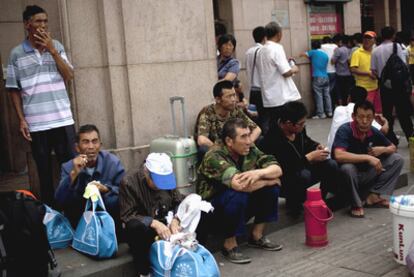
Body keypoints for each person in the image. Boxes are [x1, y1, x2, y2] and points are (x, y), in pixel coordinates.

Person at [6, 5, 76, 206]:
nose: (43, 25)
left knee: (71, 169)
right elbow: (13, 89)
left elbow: (69, 75)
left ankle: (72, 211)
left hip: (62, 119)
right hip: (37, 124)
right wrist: (21, 120)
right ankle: (50, 217)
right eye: (38, 21)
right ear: (27, 24)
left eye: (45, 21)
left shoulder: (57, 46)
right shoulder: (16, 54)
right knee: (44, 172)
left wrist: (52, 50)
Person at [197, 118, 283, 264]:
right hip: (211, 213)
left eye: (249, 135)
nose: (249, 141)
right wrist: (268, 180)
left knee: (271, 189)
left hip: (235, 206)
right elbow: (240, 185)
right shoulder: (214, 155)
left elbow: (277, 169)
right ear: (229, 141)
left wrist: (259, 174)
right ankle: (229, 245)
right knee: (238, 193)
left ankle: (256, 236)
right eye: (243, 137)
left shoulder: (249, 149)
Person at [261, 101, 339, 217]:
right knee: (303, 175)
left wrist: (315, 146)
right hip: (283, 179)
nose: (303, 126)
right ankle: (294, 205)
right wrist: (310, 157)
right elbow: (285, 167)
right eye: (301, 124)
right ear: (288, 123)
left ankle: (319, 199)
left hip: (301, 166)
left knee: (330, 164)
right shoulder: (272, 139)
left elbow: (306, 141)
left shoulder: (298, 129)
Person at [332, 100, 403, 218]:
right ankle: (355, 204)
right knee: (347, 168)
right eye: (361, 117)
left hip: (367, 173)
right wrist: (368, 158)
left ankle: (373, 197)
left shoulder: (373, 131)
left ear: (373, 118)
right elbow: (338, 155)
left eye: (369, 117)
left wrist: (382, 150)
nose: (365, 121)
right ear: (353, 116)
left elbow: (393, 147)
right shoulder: (345, 130)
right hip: (347, 178)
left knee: (397, 159)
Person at [120, 153, 184, 276]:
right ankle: (144, 272)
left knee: (198, 207)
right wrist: (153, 223)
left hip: (168, 224)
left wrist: (176, 219)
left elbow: (178, 201)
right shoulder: (129, 181)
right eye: (157, 181)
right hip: (146, 230)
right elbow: (127, 215)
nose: (161, 186)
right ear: (146, 173)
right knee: (134, 227)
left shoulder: (168, 177)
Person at [55, 124, 125, 226]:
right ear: (77, 148)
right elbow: (60, 201)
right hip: (80, 220)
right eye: (85, 142)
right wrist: (74, 174)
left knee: (112, 199)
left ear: (100, 145)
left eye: (94, 141)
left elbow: (125, 192)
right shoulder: (69, 167)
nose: (91, 147)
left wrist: (106, 189)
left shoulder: (112, 162)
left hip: (107, 219)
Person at [194, 80, 261, 158]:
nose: (233, 100)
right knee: (203, 150)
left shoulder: (235, 110)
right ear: (218, 99)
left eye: (234, 95)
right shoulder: (207, 112)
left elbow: (257, 129)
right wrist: (224, 151)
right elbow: (202, 140)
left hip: (234, 148)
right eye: (229, 96)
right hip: (218, 151)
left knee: (260, 140)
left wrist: (247, 143)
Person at [371, 26, 414, 145]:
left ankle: (390, 140)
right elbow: (402, 65)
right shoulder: (397, 47)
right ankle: (411, 138)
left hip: (384, 86)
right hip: (399, 86)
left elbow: (373, 71)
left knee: (387, 114)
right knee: (404, 114)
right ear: (393, 35)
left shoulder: (375, 50)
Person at [256, 21, 300, 135]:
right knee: (288, 128)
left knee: (274, 127)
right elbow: (286, 72)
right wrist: (294, 67)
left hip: (269, 97)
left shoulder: (261, 50)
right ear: (279, 34)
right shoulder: (276, 48)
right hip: (282, 96)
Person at [326, 86, 388, 153]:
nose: (364, 120)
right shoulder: (363, 114)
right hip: (346, 154)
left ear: (349, 98)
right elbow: (384, 131)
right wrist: (385, 122)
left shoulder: (338, 109)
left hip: (332, 152)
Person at [350, 31, 382, 114]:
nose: (366, 40)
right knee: (366, 112)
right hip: (363, 89)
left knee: (378, 112)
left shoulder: (376, 52)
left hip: (376, 87)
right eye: (365, 38)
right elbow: (353, 69)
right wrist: (368, 73)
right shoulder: (357, 53)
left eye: (369, 38)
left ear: (374, 40)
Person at [301, 40, 332, 119]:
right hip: (326, 76)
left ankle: (321, 113)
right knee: (327, 95)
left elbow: (302, 55)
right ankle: (329, 111)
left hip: (317, 76)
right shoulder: (325, 54)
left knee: (318, 95)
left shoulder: (313, 52)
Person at [245, 26, 266, 128]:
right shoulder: (264, 51)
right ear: (265, 37)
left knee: (255, 120)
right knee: (265, 119)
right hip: (263, 91)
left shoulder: (249, 51)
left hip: (252, 91)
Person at [332, 34, 354, 105]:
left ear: (341, 41)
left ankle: (341, 105)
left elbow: (333, 61)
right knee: (348, 92)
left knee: (340, 92)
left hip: (340, 74)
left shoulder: (338, 50)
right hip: (349, 74)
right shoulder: (351, 50)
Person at [321, 36, 338, 107]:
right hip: (334, 71)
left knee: (325, 92)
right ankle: (332, 106)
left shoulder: (322, 46)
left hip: (325, 72)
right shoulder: (335, 46)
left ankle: (327, 108)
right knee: (331, 91)